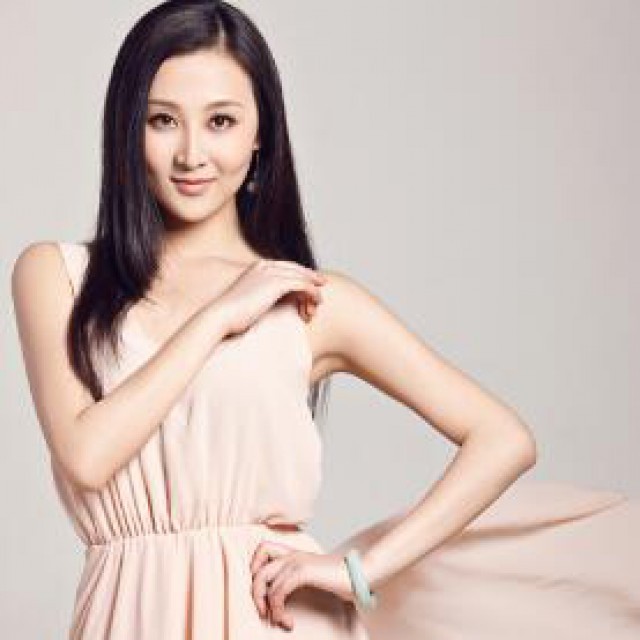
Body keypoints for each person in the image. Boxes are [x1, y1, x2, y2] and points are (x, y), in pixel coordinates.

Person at [10, 2, 639, 639]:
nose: (192, 153)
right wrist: (218, 317)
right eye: (163, 121)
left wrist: (363, 570)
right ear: (127, 129)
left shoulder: (306, 303)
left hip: (269, 619)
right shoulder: (56, 275)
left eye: (221, 121)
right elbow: (86, 457)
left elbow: (503, 439)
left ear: (260, 132)